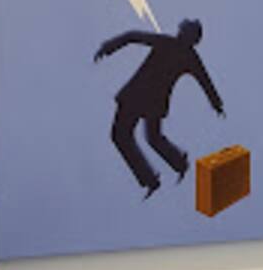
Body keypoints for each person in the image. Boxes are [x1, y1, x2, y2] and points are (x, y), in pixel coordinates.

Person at [94, 19, 224, 197]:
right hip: (151, 101)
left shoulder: (172, 46)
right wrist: (216, 103)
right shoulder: (186, 55)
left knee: (126, 136)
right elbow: (205, 81)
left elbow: (132, 36)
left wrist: (108, 47)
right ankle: (171, 167)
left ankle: (157, 175)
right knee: (148, 137)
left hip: (138, 96)